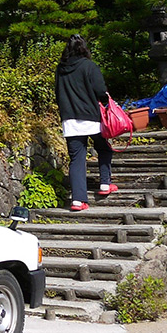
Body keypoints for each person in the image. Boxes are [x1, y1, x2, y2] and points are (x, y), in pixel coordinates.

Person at [55, 34, 114, 211]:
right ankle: (105, 183)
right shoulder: (89, 66)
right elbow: (101, 91)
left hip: (70, 119)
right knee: (103, 147)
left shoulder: (60, 69)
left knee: (76, 159)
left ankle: (78, 201)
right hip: (91, 118)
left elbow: (57, 93)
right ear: (84, 49)